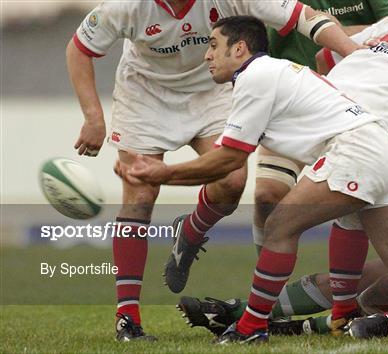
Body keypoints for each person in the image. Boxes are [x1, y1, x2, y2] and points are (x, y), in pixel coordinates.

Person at [115, 15, 388, 344]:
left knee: (282, 224)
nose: (206, 56)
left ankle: (251, 326)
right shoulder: (273, 74)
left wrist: (161, 172)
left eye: (213, 46)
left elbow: (227, 160)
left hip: (360, 149)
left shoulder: (256, 77)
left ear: (240, 49)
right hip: (387, 150)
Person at [66, 0, 362, 341]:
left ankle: (190, 232)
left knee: (233, 181)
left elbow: (302, 15)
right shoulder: (125, 7)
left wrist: (352, 51)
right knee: (140, 196)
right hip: (144, 94)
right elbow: (78, 49)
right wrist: (93, 117)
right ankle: (127, 319)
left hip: (211, 90)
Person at [255, 0, 388, 256]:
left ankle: (349, 291)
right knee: (267, 195)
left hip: (359, 98)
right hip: (294, 98)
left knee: (359, 207)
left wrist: (337, 33)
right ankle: (263, 281)